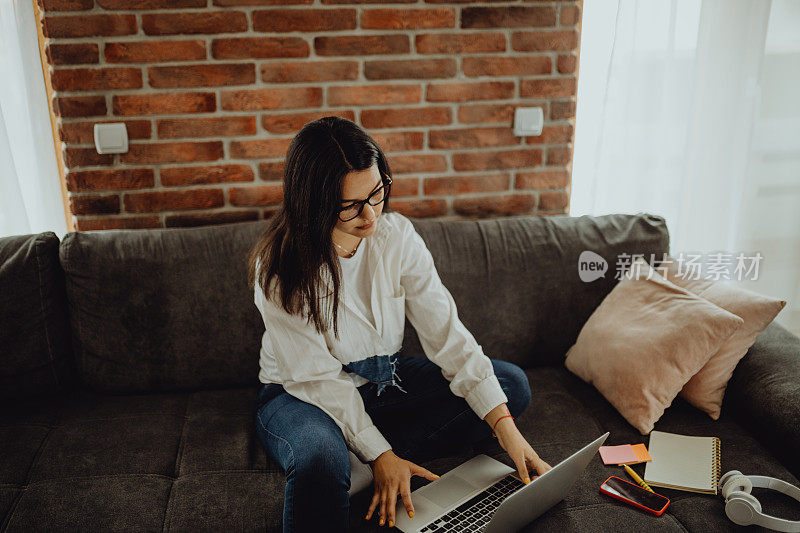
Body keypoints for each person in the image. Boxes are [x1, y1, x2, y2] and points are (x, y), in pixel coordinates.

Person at [247, 116, 551, 532]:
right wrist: (382, 455)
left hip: (381, 384)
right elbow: (316, 379)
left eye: (376, 192)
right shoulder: (281, 269)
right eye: (351, 205)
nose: (371, 214)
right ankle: (356, 458)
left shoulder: (398, 238)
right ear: (314, 205)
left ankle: (362, 458)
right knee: (320, 458)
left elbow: (446, 333)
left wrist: (507, 431)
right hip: (299, 393)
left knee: (510, 387)